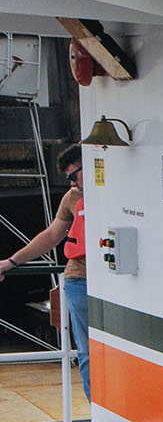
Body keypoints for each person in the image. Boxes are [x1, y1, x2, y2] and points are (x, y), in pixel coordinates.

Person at [0, 145, 92, 400]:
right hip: (80, 280)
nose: (72, 183)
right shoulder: (72, 198)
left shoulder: (118, 189)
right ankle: (99, 415)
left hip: (117, 282)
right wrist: (11, 262)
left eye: (75, 176)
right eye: (68, 179)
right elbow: (52, 235)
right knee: (87, 354)